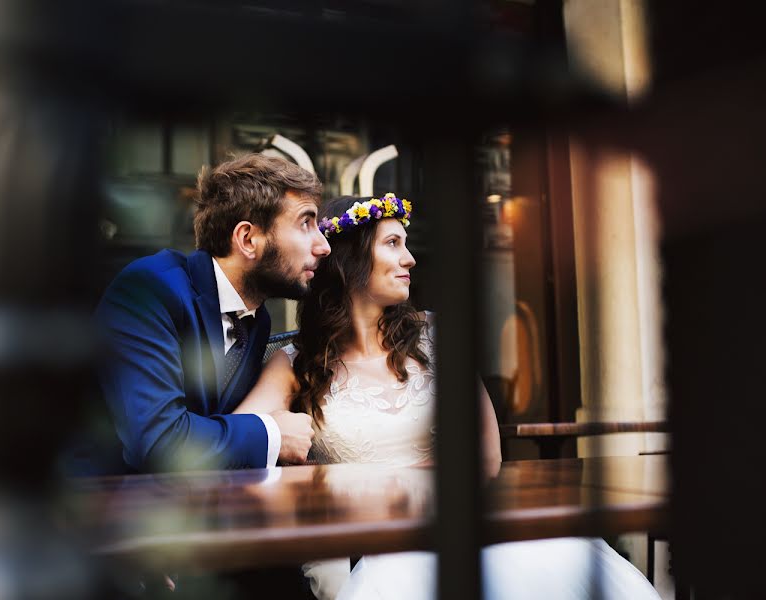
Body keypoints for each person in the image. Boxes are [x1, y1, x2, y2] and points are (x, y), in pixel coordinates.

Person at [234, 194, 661, 600]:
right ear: (351, 259)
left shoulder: (437, 337)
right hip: (382, 544)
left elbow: (487, 455)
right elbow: (240, 441)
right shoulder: (295, 363)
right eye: (393, 244)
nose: (410, 259)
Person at [95, 153, 329, 474]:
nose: (323, 246)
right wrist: (272, 433)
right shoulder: (149, 290)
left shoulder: (257, 320)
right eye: (306, 223)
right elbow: (158, 442)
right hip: (103, 506)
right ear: (247, 239)